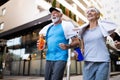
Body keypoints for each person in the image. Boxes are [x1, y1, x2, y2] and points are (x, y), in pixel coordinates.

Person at [37, 7, 80, 80]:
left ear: (61, 15)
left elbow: (76, 41)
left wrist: (67, 46)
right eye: (52, 14)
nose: (53, 15)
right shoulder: (48, 28)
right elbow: (47, 43)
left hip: (61, 57)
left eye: (56, 13)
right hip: (49, 57)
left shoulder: (67, 25)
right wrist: (43, 45)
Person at [77, 7, 117, 80]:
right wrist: (79, 53)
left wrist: (117, 43)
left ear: (97, 15)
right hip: (88, 61)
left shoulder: (103, 28)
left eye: (92, 11)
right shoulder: (82, 30)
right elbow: (82, 47)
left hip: (103, 61)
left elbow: (114, 34)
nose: (89, 12)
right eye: (88, 12)